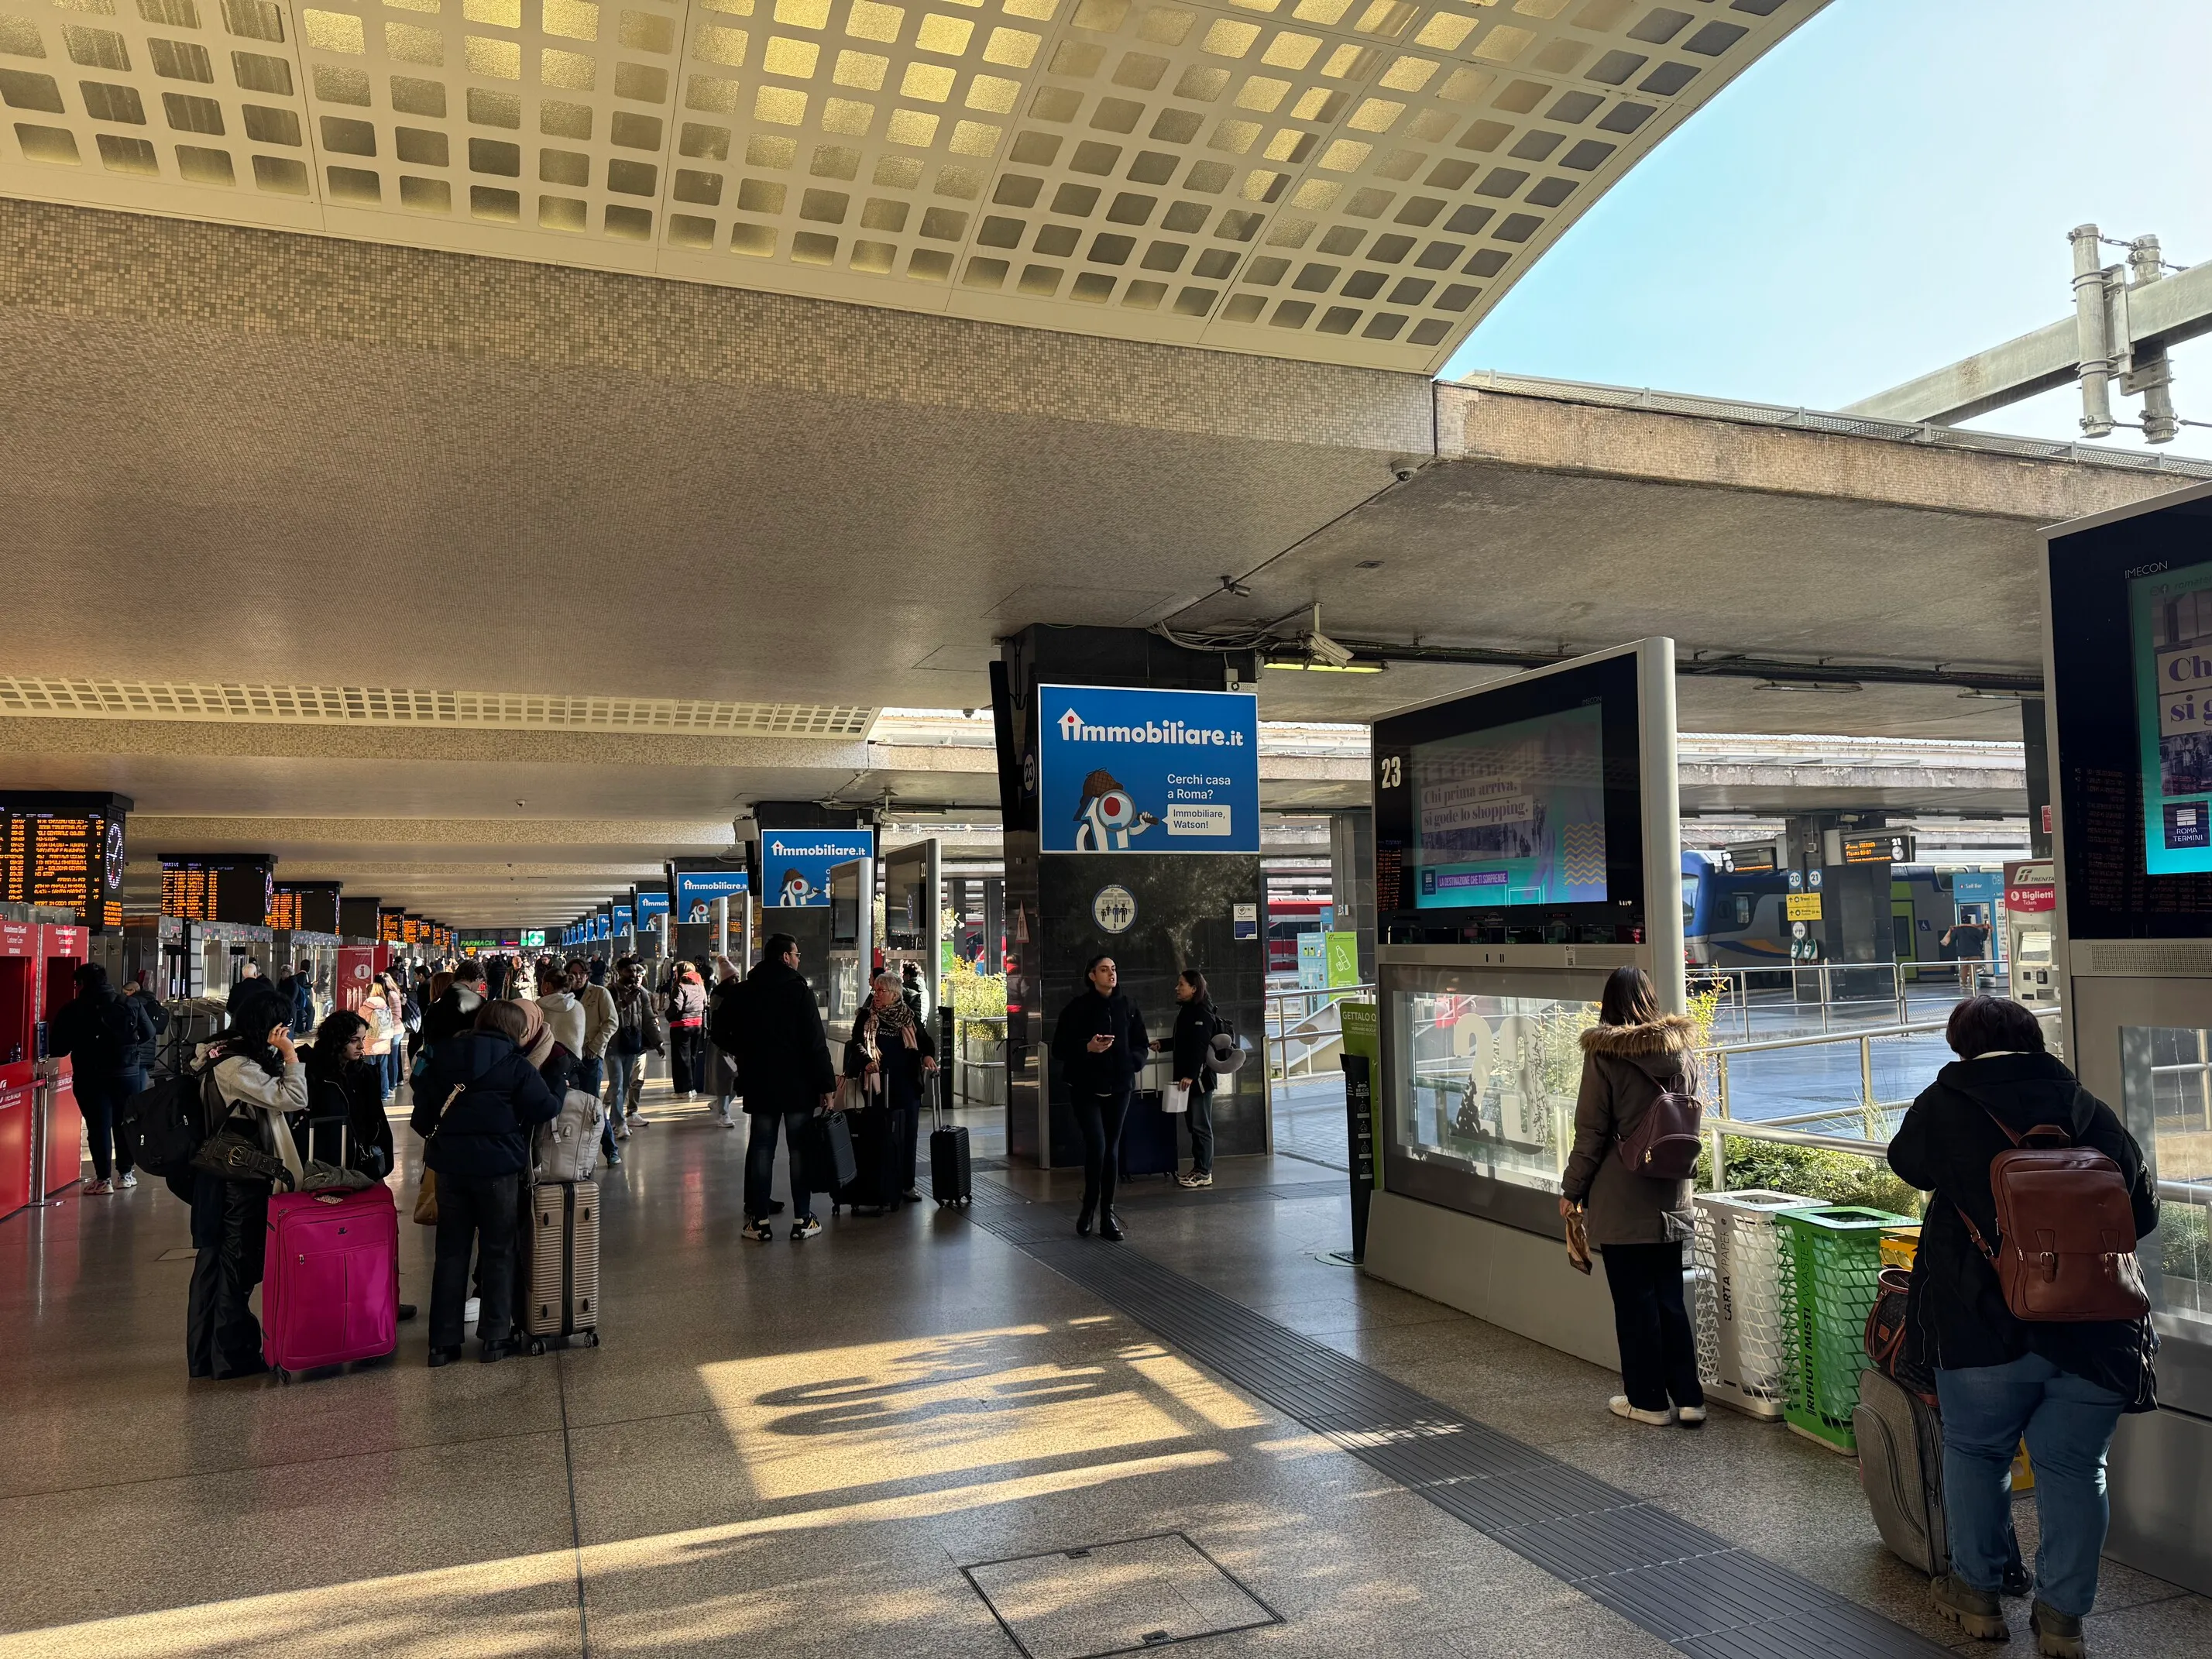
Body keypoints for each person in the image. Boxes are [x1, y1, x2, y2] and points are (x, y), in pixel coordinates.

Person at [1889, 997, 2158, 1657]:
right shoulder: (2087, 1107)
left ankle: (1977, 1595)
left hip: (1982, 1323)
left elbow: (1907, 1164)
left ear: (1961, 1045)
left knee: (1978, 1454)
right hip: (2096, 1328)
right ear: (2035, 1040)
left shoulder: (1944, 1103)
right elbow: (2143, 1212)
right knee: (2078, 1469)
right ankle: (2063, 1618)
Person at [1559, 965, 1706, 1429]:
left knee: (1635, 1302)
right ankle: (1689, 1398)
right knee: (1670, 1299)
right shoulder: (1681, 1050)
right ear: (1650, 999)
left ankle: (1647, 1401)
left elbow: (1591, 1132)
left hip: (1622, 1195)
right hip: (1672, 1192)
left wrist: (1572, 1190)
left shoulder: (1605, 1055)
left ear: (1610, 1004)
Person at [411, 999, 559, 1367]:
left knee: (450, 1253)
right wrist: (558, 1086)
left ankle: (442, 1344)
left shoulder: (444, 1056)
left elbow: (421, 1114)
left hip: (450, 1171)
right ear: (516, 1032)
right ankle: (495, 1337)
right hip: (498, 1172)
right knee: (498, 1251)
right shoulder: (516, 1066)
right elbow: (545, 1108)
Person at [184, 981, 307, 1379]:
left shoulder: (219, 1052)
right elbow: (293, 1097)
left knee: (215, 1267)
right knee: (235, 1267)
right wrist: (290, 1055)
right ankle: (232, 1357)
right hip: (237, 1179)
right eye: (283, 1027)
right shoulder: (237, 1066)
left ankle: (207, 1357)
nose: (286, 1034)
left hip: (217, 1174)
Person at [304, 1009, 417, 1324]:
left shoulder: (363, 1072)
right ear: (337, 1039)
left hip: (363, 1165)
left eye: (362, 1040)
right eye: (354, 1040)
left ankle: (382, 1299)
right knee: (333, 1240)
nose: (360, 1046)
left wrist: (381, 1156)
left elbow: (375, 1117)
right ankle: (338, 1303)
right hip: (327, 1167)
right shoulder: (313, 1071)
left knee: (376, 1235)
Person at [728, 933, 836, 1242]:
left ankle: (759, 1221)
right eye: (797, 954)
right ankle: (803, 1219)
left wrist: (745, 1053)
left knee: (762, 1149)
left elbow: (721, 1031)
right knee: (799, 1150)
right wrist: (826, 1084)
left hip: (760, 1083)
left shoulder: (746, 991)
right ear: (786, 957)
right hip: (798, 1085)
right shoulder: (799, 991)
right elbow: (816, 1043)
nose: (799, 959)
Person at [1051, 953, 1148, 1241]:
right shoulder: (1077, 1008)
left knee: (1112, 1149)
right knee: (1098, 1146)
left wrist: (1132, 1062)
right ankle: (1088, 1209)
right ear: (1092, 975)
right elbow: (1059, 1048)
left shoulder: (1128, 1006)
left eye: (1113, 969)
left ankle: (1107, 1215)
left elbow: (1141, 1043)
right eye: (1104, 970)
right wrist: (1087, 1048)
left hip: (1120, 1086)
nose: (1111, 974)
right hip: (1085, 1086)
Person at [47, 961, 158, 1194]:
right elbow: (149, 1033)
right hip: (127, 1074)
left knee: (98, 1126)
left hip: (90, 1075)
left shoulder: (73, 1009)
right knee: (124, 1123)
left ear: (81, 984)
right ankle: (126, 1175)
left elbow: (58, 1047)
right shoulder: (130, 1003)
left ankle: (103, 1180)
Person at [844, 969, 939, 1205]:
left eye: (881, 990)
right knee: (878, 1134)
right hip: (877, 1087)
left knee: (907, 1135)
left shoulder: (908, 1017)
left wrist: (927, 1056)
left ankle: (907, 1184)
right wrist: (866, 1061)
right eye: (875, 990)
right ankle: (881, 1185)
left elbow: (926, 1042)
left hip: (907, 1085)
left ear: (895, 994)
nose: (876, 994)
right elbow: (856, 1043)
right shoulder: (866, 1016)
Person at [1154, 968, 1218, 1190]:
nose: (1177, 988)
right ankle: (1199, 1168)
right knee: (1194, 1126)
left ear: (1193, 988)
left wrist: (1191, 1076)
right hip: (1189, 1080)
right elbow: (1184, 1041)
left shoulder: (1202, 1013)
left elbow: (1199, 1048)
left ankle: (1204, 1172)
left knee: (1201, 1126)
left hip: (1199, 1081)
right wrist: (1163, 1044)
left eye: (1181, 984)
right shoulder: (1189, 1011)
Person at [570, 957, 620, 1166]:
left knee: (592, 1105)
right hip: (570, 1057)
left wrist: (595, 1047)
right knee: (571, 1106)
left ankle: (610, 1149)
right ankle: (578, 1155)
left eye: (581, 974)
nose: (577, 978)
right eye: (573, 974)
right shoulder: (564, 996)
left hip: (591, 1057)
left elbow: (611, 1022)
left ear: (587, 975)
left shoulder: (600, 993)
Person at [605, 957, 661, 1136]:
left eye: (636, 971)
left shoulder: (642, 993)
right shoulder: (610, 991)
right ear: (620, 971)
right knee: (617, 1084)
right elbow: (606, 1014)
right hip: (613, 1045)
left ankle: (613, 1121)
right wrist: (624, 1003)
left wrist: (657, 1042)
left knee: (625, 1084)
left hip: (632, 1044)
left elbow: (649, 1019)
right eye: (629, 971)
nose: (634, 974)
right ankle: (620, 1124)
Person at [703, 955, 743, 1127]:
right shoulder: (720, 997)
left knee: (734, 1076)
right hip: (722, 1044)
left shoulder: (731, 994)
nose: (737, 980)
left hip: (732, 1042)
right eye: (733, 977)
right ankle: (723, 1112)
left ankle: (721, 1105)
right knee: (725, 1077)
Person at [665, 959, 709, 1101]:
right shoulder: (700, 984)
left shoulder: (680, 986)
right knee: (692, 1057)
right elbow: (705, 1002)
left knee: (680, 1058)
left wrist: (668, 1015)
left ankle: (683, 1090)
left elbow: (677, 1006)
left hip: (681, 1025)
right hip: (697, 1025)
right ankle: (692, 1087)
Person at [360, 974, 398, 1103]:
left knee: (369, 1069)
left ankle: (371, 1093)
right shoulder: (385, 1007)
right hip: (384, 1041)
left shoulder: (365, 1008)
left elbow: (361, 1025)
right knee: (383, 1069)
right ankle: (384, 1093)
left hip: (370, 1042)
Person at [1942, 914, 1991, 995]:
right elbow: (1983, 937)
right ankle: (1972, 984)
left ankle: (1964, 984)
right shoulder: (1974, 930)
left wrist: (1952, 931)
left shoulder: (1958, 930)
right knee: (1973, 970)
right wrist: (1985, 930)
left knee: (1963, 969)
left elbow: (1952, 939)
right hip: (1974, 953)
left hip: (1963, 954)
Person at [283, 962, 317, 1037]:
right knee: (311, 1010)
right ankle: (308, 1028)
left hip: (299, 997)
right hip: (303, 996)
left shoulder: (297, 976)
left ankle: (302, 1029)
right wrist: (312, 985)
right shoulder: (304, 974)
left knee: (301, 1013)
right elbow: (303, 985)